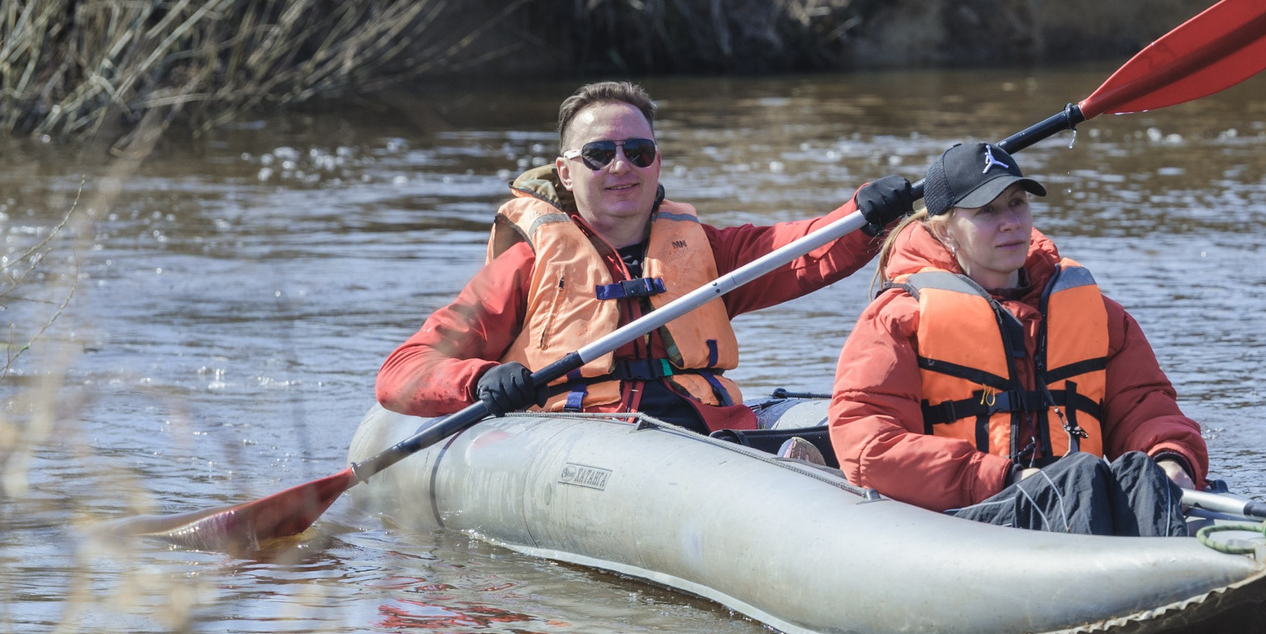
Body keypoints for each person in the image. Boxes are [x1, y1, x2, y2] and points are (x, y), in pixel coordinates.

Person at [377, 81, 917, 436]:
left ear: (656, 163)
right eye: (599, 154)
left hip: (706, 428)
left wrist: (867, 213)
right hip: (585, 439)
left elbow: (803, 249)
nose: (621, 166)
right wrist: (480, 380)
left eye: (638, 152)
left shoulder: (703, 249)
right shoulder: (524, 265)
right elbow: (403, 371)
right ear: (566, 173)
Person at [830, 139, 1208, 536]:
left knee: (1138, 473)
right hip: (971, 513)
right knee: (1078, 476)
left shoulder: (1098, 312)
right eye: (987, 211)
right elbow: (870, 445)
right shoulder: (897, 318)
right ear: (944, 232)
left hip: (1080, 497)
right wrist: (1004, 477)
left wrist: (1172, 460)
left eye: (1017, 203)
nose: (1010, 221)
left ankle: (1195, 578)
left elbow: (1146, 406)